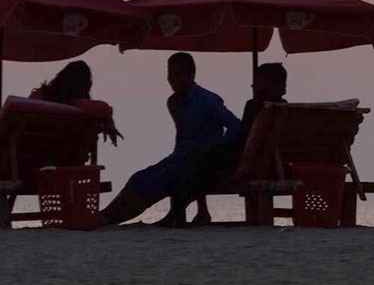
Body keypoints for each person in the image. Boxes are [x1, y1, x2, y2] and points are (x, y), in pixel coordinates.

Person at [98, 52, 241, 227]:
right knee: (139, 178)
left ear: (191, 75)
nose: (172, 80)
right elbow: (182, 140)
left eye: (177, 74)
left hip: (205, 161)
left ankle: (110, 218)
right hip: (182, 159)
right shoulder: (174, 102)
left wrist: (216, 148)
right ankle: (107, 215)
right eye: (170, 75)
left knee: (162, 179)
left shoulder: (208, 100)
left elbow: (235, 126)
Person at [175, 62, 288, 226]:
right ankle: (196, 210)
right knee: (202, 157)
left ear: (266, 85)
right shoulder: (285, 108)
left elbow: (244, 138)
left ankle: (197, 211)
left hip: (248, 165)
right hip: (276, 167)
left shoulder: (255, 106)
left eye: (257, 83)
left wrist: (222, 145)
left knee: (198, 159)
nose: (253, 87)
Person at [31, 60, 122, 146]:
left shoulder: (40, 96)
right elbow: (104, 108)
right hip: (62, 152)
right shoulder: (80, 106)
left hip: (32, 146)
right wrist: (109, 121)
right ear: (86, 84)